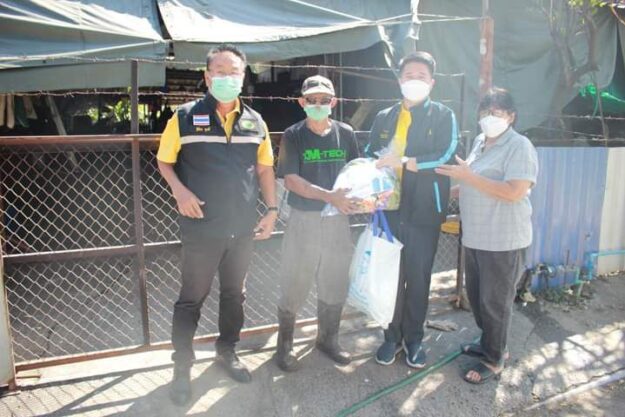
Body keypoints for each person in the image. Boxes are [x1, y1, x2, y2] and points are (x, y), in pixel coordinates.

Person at [157, 44, 278, 405]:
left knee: (234, 294)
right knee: (191, 298)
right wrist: (179, 191)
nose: (227, 78)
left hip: (242, 228)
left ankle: (227, 351)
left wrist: (272, 209)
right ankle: (182, 367)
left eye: (234, 72)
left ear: (243, 76)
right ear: (207, 77)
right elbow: (164, 161)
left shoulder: (255, 121)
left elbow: (265, 169)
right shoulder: (183, 117)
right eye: (220, 72)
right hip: (201, 226)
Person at [435, 87, 538, 384]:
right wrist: (443, 193)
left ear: (511, 116)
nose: (490, 117)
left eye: (497, 112)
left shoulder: (519, 146)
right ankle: (489, 343)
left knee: (495, 303)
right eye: (485, 111)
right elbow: (473, 182)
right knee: (480, 299)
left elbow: (515, 191)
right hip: (476, 237)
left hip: (503, 240)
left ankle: (495, 359)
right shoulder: (481, 141)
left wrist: (468, 177)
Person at [367, 51, 458, 368]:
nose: (415, 81)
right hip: (389, 210)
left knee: (418, 278)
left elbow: (445, 154)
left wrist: (405, 162)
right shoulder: (385, 116)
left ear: (432, 82)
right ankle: (390, 338)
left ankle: (414, 339)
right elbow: (370, 153)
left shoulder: (443, 115)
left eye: (421, 76)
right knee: (391, 276)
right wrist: (372, 174)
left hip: (424, 211)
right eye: (409, 75)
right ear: (399, 80)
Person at [274, 75, 360, 371]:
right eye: (312, 100)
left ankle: (328, 339)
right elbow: (291, 180)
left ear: (333, 102)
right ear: (302, 102)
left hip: (337, 221)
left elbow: (355, 171)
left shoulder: (345, 133)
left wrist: (363, 197)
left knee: (334, 279)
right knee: (295, 279)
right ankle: (284, 346)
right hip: (304, 219)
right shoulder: (293, 135)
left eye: (324, 100)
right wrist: (329, 196)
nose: (319, 104)